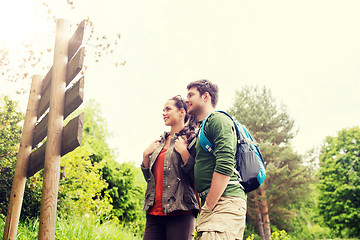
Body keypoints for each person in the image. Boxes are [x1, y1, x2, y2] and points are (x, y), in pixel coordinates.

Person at [186, 79, 247, 240]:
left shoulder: (218, 120)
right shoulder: (203, 127)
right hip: (216, 206)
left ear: (205, 97)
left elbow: (226, 164)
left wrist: (208, 208)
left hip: (224, 203)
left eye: (191, 95)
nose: (187, 100)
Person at [141, 95, 199, 240]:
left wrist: (185, 153)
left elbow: (196, 177)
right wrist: (145, 156)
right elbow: (150, 180)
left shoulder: (191, 139)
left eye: (168, 109)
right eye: (163, 110)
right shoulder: (159, 142)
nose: (164, 113)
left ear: (181, 112)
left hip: (181, 212)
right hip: (154, 213)